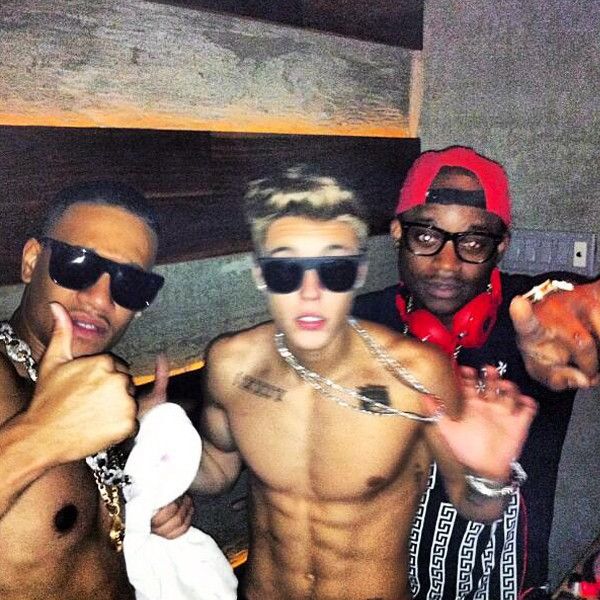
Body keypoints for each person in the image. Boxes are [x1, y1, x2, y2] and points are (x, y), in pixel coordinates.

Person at [191, 166, 537, 600]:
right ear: (260, 273)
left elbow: (474, 506)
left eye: (332, 268)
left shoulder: (419, 373)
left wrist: (489, 474)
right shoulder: (231, 364)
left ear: (357, 272)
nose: (310, 291)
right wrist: (153, 444)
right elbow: (216, 469)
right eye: (286, 269)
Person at [352, 145, 600, 599]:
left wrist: (581, 302)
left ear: (500, 245)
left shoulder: (539, 318)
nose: (448, 264)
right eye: (426, 235)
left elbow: (577, 303)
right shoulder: (358, 325)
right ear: (396, 232)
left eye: (473, 242)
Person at [0, 181, 193, 600]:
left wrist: (152, 495)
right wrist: (41, 433)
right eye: (79, 264)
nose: (101, 297)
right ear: (32, 261)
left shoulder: (105, 385)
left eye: (131, 284)